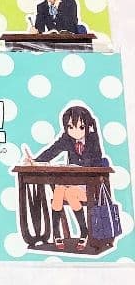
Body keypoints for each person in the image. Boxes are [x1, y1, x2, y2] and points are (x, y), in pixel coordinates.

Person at [23, 105, 104, 251]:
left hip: (89, 187)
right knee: (59, 190)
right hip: (71, 185)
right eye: (70, 127)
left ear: (88, 126)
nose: (75, 131)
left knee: (67, 192)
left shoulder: (92, 139)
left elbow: (98, 161)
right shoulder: (67, 138)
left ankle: (84, 231)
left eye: (81, 127)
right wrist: (34, 161)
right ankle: (57, 233)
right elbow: (52, 151)